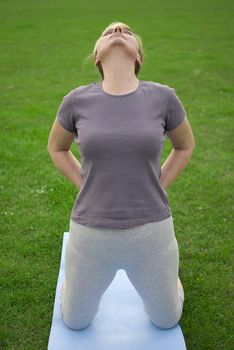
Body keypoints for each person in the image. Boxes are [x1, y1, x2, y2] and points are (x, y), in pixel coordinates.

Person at [47, 21, 195, 331]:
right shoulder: (76, 100)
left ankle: (170, 279)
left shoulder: (163, 97)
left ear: (138, 56)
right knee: (74, 321)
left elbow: (184, 145)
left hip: (152, 230)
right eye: (108, 30)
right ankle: (72, 281)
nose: (117, 30)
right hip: (90, 231)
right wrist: (84, 182)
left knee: (167, 320)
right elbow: (57, 148)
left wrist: (160, 182)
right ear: (97, 56)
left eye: (126, 30)